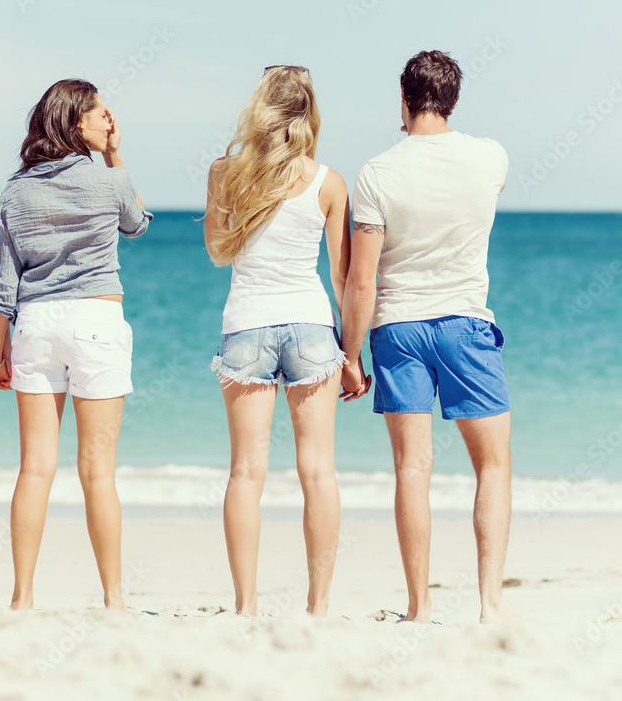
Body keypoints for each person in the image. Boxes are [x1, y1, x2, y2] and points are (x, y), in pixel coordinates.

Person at [341, 50, 521, 624]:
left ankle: (419, 609)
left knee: (412, 469)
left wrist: (350, 355)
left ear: (403, 97)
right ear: (454, 99)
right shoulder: (491, 157)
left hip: (398, 327)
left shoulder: (376, 173)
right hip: (467, 324)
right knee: (492, 466)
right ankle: (491, 605)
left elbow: (362, 281)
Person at [203, 65, 367, 617]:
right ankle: (318, 607)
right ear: (310, 113)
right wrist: (353, 354)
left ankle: (245, 607)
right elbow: (342, 277)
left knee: (245, 472)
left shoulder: (225, 172)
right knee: (318, 471)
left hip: (246, 323)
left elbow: (216, 250)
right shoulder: (329, 182)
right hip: (312, 327)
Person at [0, 78, 152, 611]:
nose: (110, 121)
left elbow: (4, 280)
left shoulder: (14, 190)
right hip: (96, 319)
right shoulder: (109, 182)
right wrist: (117, 156)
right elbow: (138, 224)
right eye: (101, 113)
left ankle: (22, 597)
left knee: (34, 467)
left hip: (35, 323)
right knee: (97, 471)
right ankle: (113, 598)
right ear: (76, 122)